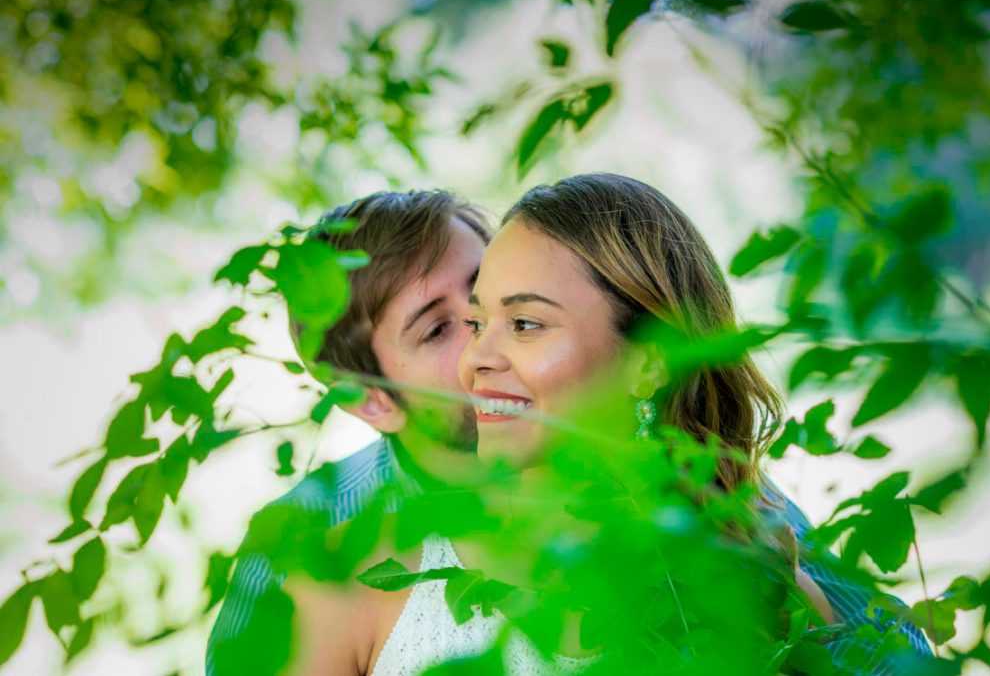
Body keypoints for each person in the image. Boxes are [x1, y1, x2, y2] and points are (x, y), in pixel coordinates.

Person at [209, 180, 930, 676]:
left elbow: (895, 650)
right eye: (440, 329)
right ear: (370, 400)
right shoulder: (314, 548)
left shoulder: (719, 510)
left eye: (501, 311)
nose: (480, 354)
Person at [206, 189, 491, 675]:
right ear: (371, 400)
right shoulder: (296, 546)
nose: (488, 330)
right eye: (437, 330)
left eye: (485, 288)